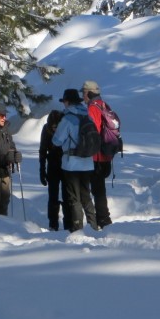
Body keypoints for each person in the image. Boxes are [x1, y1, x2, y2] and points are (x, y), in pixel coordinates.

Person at [52, 89, 97, 231]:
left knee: (74, 198)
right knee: (86, 196)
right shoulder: (87, 116)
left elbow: (57, 141)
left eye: (64, 101)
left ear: (67, 101)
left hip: (71, 164)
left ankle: (78, 228)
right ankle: (93, 226)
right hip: (87, 162)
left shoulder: (67, 119)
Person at [82, 80, 113, 228]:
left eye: (83, 92)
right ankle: (103, 219)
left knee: (96, 190)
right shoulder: (104, 105)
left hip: (96, 157)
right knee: (100, 189)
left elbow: (92, 133)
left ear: (88, 93)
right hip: (106, 155)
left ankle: (103, 220)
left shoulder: (92, 109)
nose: (82, 95)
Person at [39, 109, 67, 230]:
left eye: (57, 127)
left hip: (66, 165)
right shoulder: (46, 129)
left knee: (67, 196)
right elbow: (42, 150)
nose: (55, 129)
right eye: (53, 127)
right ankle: (53, 224)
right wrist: (42, 170)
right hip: (53, 165)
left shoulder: (65, 128)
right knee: (53, 197)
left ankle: (69, 223)